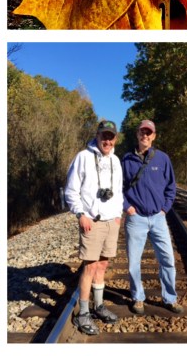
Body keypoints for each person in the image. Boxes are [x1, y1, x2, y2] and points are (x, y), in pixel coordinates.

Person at [65, 119, 124, 335]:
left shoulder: (116, 161)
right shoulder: (83, 157)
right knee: (89, 266)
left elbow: (118, 191)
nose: (107, 140)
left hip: (111, 221)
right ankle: (83, 313)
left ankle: (98, 306)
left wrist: (117, 215)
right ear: (97, 136)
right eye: (103, 136)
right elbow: (71, 190)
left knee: (103, 265)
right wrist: (80, 214)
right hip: (91, 220)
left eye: (111, 136)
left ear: (115, 138)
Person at [122, 119, 183, 315]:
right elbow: (118, 188)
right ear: (137, 134)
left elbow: (171, 187)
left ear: (154, 136)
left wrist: (165, 209)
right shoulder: (126, 160)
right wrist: (127, 207)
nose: (145, 136)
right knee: (134, 261)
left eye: (149, 133)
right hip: (136, 218)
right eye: (142, 132)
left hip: (158, 218)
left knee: (167, 259)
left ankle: (170, 298)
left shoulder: (163, 159)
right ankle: (138, 298)